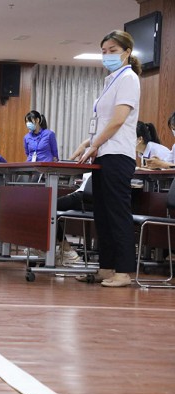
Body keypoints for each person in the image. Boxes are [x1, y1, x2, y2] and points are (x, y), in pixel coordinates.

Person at [71, 30, 142, 287]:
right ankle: (106, 267)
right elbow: (104, 122)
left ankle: (123, 272)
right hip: (103, 153)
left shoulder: (129, 78)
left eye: (113, 50)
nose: (107, 55)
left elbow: (119, 120)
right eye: (103, 51)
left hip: (118, 155)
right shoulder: (110, 80)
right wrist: (88, 143)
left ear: (127, 52)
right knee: (101, 214)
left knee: (117, 213)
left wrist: (95, 144)